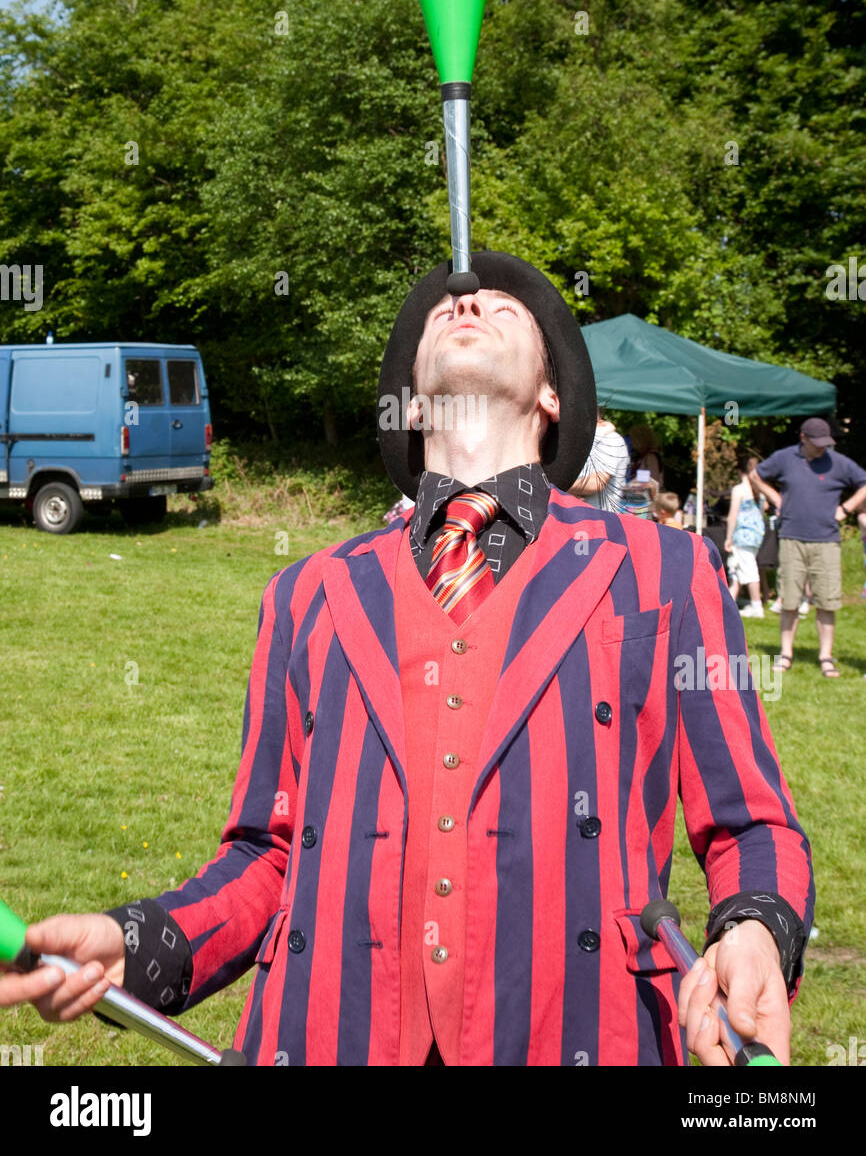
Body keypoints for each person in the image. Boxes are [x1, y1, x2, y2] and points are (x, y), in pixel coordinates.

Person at [0, 252, 814, 1067]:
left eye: (505, 308)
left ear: (552, 394)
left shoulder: (668, 570)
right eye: (442, 312)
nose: (466, 305)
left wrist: (756, 930)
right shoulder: (305, 593)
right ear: (414, 399)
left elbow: (751, 820)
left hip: (584, 1037)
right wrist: (136, 942)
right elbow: (265, 855)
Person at [752, 418, 866, 677]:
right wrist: (776, 498)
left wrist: (845, 509)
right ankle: (785, 655)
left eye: (826, 443)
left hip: (827, 541)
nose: (821, 449)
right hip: (792, 538)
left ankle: (826, 657)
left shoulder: (839, 463)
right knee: (789, 600)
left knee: (827, 601)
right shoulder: (784, 458)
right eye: (817, 444)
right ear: (803, 438)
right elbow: (756, 475)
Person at [725, 456, 768, 618]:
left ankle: (756, 606)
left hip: (742, 535)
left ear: (740, 471)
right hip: (756, 535)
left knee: (748, 569)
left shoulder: (739, 489)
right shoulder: (760, 490)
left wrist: (728, 537)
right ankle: (729, 602)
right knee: (738, 568)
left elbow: (733, 515)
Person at [569, 409, 629, 511]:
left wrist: (558, 485)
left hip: (598, 519)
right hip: (581, 516)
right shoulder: (583, 440)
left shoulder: (609, 438)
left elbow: (596, 482)